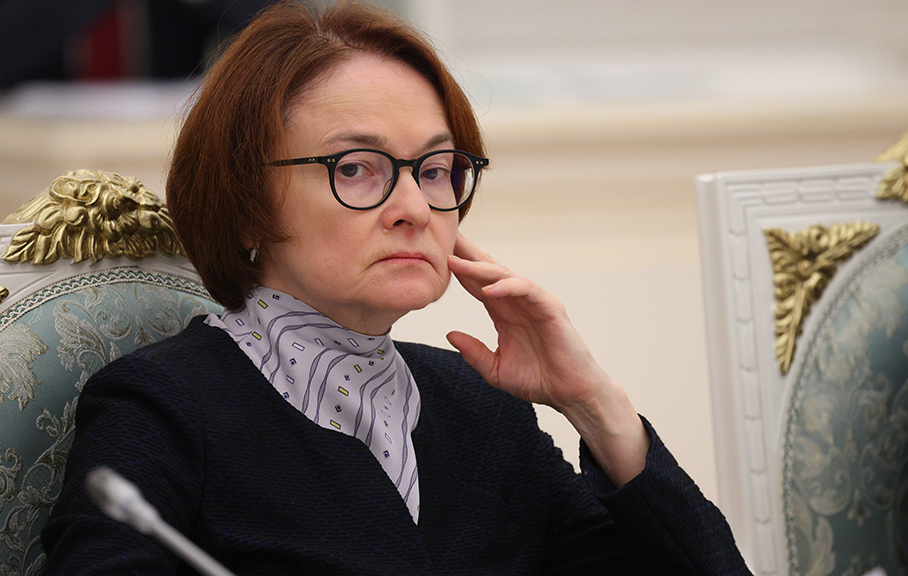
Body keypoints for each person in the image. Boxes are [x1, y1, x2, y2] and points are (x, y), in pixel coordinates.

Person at [41, 1, 753, 574]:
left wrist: (594, 404)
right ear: (248, 202)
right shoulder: (162, 406)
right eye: (356, 167)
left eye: (436, 170)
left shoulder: (481, 406)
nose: (414, 207)